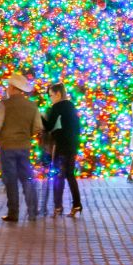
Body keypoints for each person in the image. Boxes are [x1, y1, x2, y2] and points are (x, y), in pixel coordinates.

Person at [0, 74, 41, 223]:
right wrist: (26, 135)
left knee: (10, 180)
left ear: (12, 88)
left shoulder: (4, 104)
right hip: (24, 146)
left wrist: (0, 138)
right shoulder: (32, 106)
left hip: (7, 147)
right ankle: (32, 211)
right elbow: (38, 127)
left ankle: (13, 213)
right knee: (27, 178)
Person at [42, 82, 82, 216]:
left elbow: (48, 126)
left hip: (61, 145)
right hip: (73, 144)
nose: (50, 98)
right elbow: (78, 128)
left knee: (58, 175)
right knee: (70, 175)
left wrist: (41, 116)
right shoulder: (71, 106)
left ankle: (58, 206)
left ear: (58, 94)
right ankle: (77, 204)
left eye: (51, 95)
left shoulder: (57, 107)